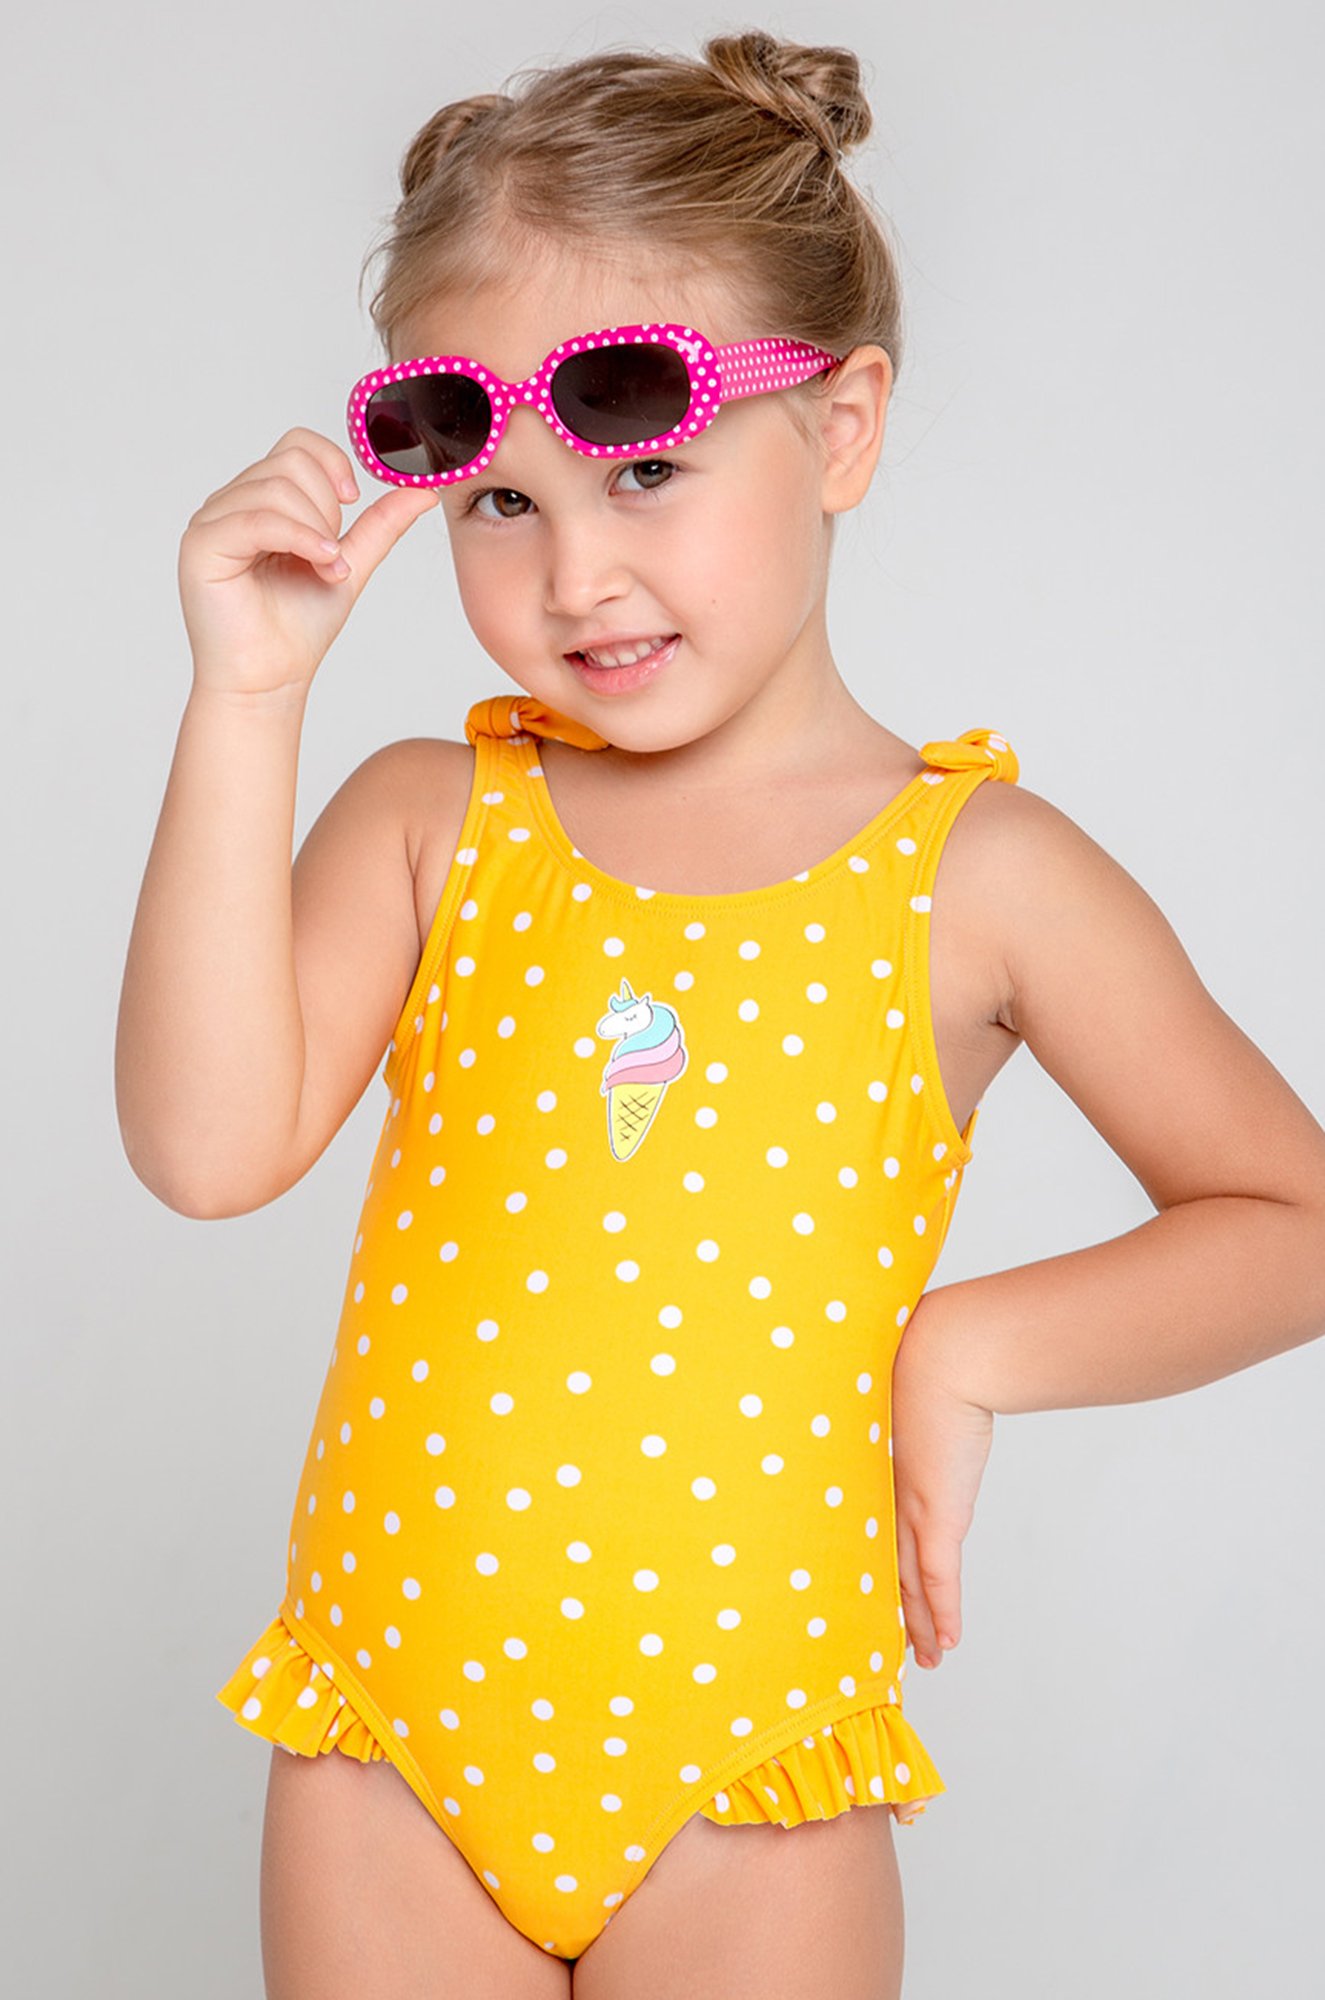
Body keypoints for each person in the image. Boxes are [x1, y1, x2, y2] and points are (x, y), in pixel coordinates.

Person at [114, 28, 1325, 2000]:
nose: (576, 574)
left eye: (648, 468)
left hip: (748, 1782)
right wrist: (247, 698)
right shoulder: (435, 821)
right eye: (498, 506)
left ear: (838, 430)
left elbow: (1291, 1217)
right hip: (387, 1742)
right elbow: (203, 1146)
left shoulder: (982, 874)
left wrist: (969, 1345)